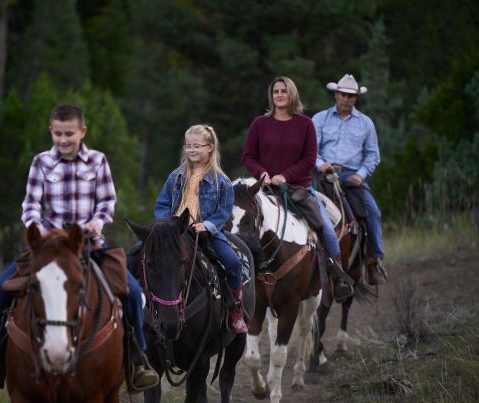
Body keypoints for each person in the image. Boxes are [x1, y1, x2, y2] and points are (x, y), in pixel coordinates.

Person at [0, 104, 158, 389]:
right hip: (46, 249)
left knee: (132, 292)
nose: (63, 139)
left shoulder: (97, 161)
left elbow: (107, 202)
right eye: (58, 134)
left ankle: (136, 360)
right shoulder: (41, 162)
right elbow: (30, 204)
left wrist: (97, 221)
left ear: (82, 132)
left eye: (69, 133)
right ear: (51, 132)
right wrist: (39, 230)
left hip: (88, 247)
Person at [242, 76, 353, 301]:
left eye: (284, 91)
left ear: (292, 94)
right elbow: (248, 156)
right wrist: (263, 173)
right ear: (271, 96)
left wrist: (285, 176)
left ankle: (337, 274)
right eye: (276, 92)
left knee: (325, 227)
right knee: (240, 224)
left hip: (298, 189)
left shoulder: (305, 124)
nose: (280, 95)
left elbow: (310, 158)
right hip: (265, 190)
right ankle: (238, 278)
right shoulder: (260, 124)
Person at [155, 124, 248, 333]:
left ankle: (235, 309)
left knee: (232, 262)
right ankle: (144, 306)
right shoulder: (176, 177)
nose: (191, 150)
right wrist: (165, 224)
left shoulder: (221, 181)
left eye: (197, 146)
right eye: (188, 146)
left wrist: (206, 225)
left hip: (204, 232)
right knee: (140, 254)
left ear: (210, 148)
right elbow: (162, 204)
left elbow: (223, 212)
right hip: (175, 232)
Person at [312, 74, 387, 285]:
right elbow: (310, 149)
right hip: (323, 173)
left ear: (356, 98)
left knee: (372, 211)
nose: (346, 99)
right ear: (336, 95)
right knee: (301, 204)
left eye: (351, 96)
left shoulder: (366, 123)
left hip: (351, 175)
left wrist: (360, 174)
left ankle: (374, 260)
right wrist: (320, 164)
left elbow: (373, 155)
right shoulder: (319, 119)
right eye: (343, 95)